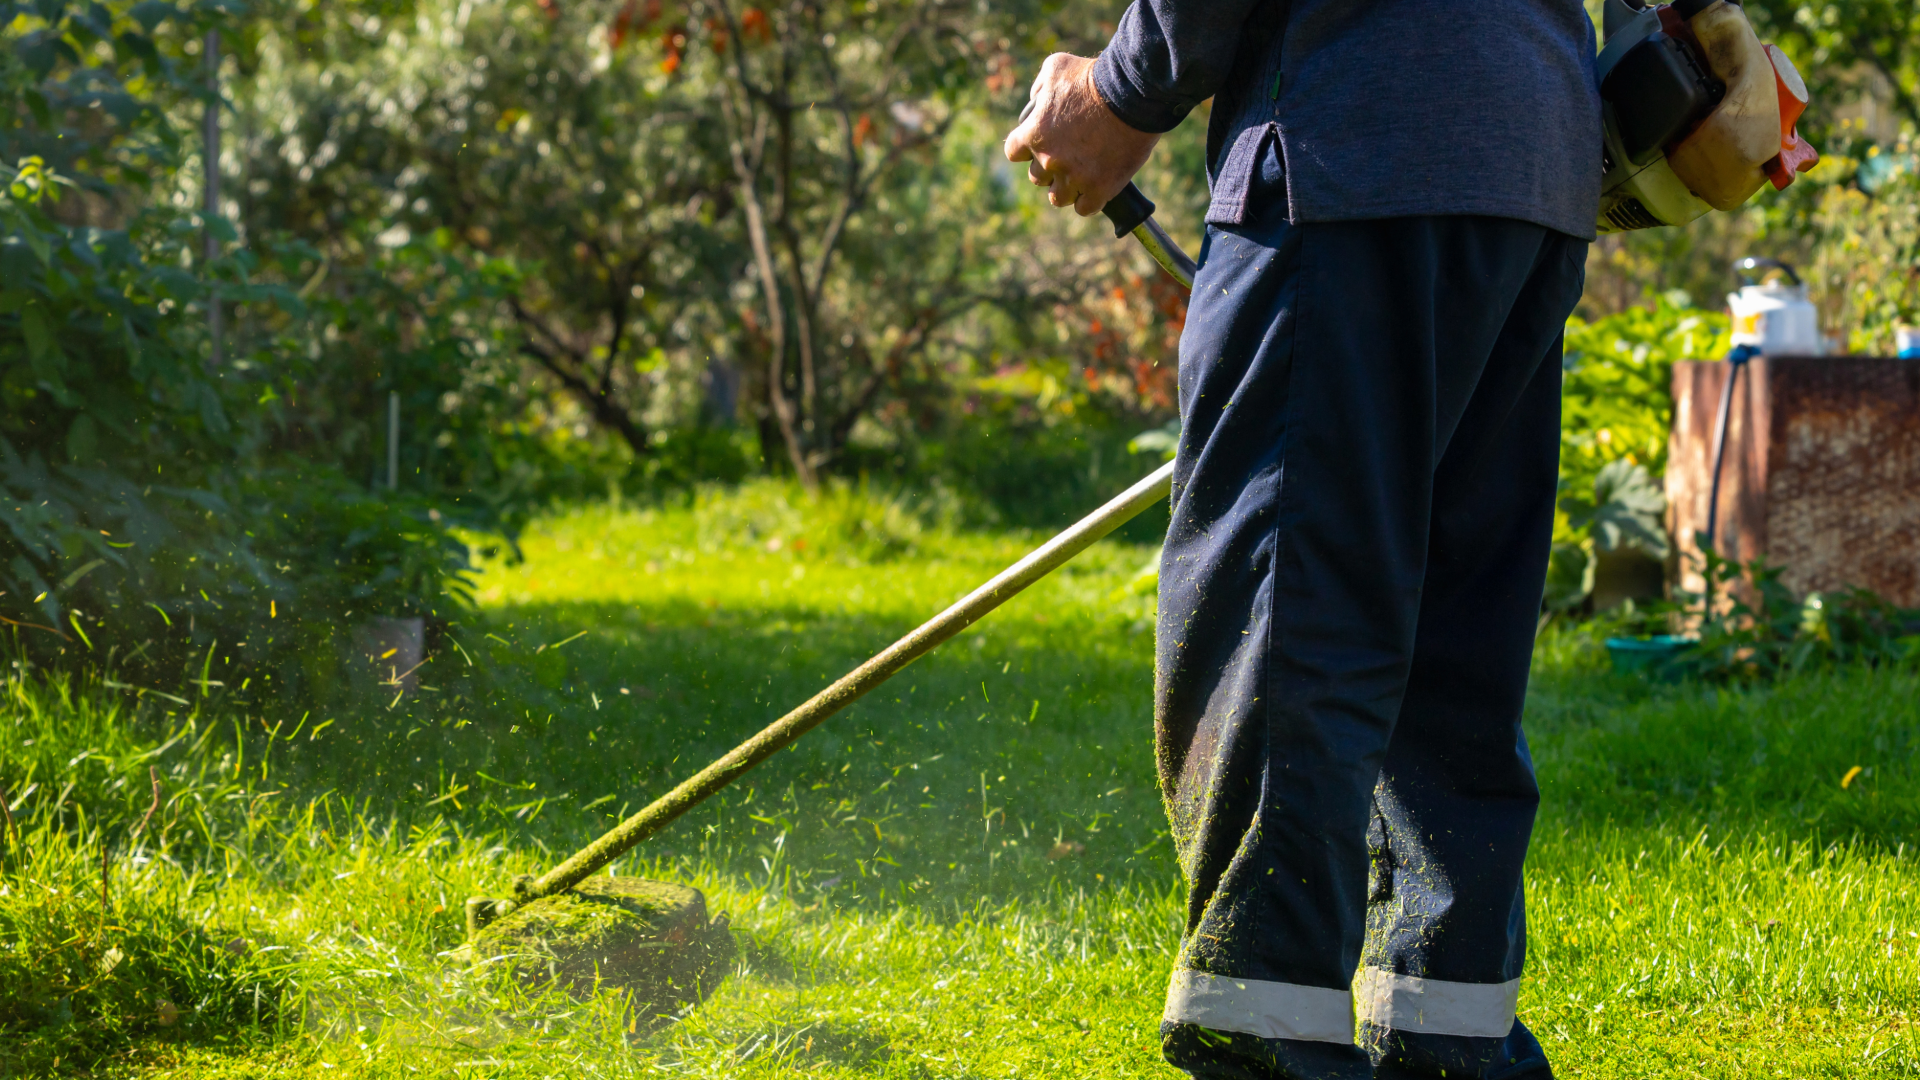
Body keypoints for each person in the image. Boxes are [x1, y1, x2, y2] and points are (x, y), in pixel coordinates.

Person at [1004, 4, 1601, 1078]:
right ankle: (1452, 1041)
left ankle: (1271, 1034)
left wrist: (1122, 91)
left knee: (1286, 616)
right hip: (1531, 159)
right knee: (1448, 637)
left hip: (1348, 151)